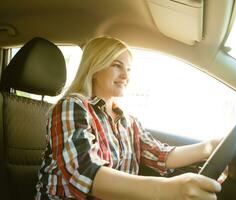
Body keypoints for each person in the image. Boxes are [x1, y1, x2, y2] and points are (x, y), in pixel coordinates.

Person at [35, 36, 223, 200]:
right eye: (117, 65)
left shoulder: (128, 120)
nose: (126, 75)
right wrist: (168, 190)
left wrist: (212, 147)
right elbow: (83, 171)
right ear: (95, 67)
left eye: (129, 69)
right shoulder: (71, 106)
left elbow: (160, 155)